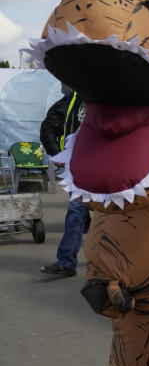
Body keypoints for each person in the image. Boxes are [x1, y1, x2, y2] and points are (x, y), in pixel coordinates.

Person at [39, 90, 89, 278]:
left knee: (116, 217)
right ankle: (67, 262)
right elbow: (48, 127)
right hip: (80, 166)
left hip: (111, 166)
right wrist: (56, 152)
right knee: (76, 210)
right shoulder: (73, 99)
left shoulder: (112, 95)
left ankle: (121, 265)